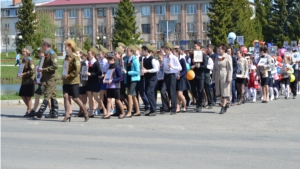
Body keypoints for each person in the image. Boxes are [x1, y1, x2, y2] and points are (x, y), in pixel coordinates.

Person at [61, 39, 89, 122]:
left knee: (75, 98)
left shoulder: (75, 57)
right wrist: (63, 75)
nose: (65, 48)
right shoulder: (66, 56)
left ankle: (85, 113)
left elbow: (77, 70)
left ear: (70, 47)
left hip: (73, 81)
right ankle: (67, 115)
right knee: (66, 96)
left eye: (66, 46)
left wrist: (68, 76)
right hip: (66, 81)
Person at [32, 38, 59, 119]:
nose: (41, 46)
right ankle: (54, 113)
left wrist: (43, 69)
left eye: (43, 44)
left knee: (47, 94)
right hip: (47, 77)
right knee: (53, 95)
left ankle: (40, 112)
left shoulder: (52, 54)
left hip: (52, 77)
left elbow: (55, 66)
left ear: (46, 45)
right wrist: (41, 77)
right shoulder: (46, 54)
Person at [29, 47, 52, 117]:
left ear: (42, 53)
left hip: (45, 81)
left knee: (43, 95)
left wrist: (40, 80)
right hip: (41, 80)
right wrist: (36, 79)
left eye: (39, 52)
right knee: (42, 95)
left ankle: (51, 110)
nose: (38, 54)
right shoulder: (41, 60)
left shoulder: (45, 60)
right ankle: (34, 110)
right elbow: (39, 71)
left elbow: (45, 70)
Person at [212, 43, 233, 114]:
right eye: (218, 48)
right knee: (219, 92)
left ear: (224, 49)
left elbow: (230, 69)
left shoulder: (227, 56)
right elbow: (214, 68)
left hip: (224, 75)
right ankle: (225, 103)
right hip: (217, 75)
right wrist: (213, 77)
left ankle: (223, 106)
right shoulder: (217, 57)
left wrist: (229, 78)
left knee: (224, 92)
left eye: (220, 48)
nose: (218, 50)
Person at [103, 54, 124, 119]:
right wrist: (105, 79)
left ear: (113, 60)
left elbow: (120, 77)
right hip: (109, 86)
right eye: (108, 60)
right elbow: (107, 75)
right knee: (108, 99)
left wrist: (112, 80)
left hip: (115, 86)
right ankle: (108, 113)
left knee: (117, 100)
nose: (108, 61)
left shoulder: (117, 67)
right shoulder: (109, 67)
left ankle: (123, 113)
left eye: (109, 60)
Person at [163, 43, 182, 115]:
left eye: (165, 49)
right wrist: (162, 66)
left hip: (172, 75)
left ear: (169, 49)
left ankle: (173, 109)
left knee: (172, 92)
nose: (164, 51)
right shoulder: (165, 57)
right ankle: (166, 107)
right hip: (166, 75)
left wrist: (173, 67)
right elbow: (164, 66)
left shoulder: (174, 58)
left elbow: (180, 68)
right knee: (163, 91)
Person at [142, 44, 159, 116]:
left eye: (143, 50)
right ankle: (151, 109)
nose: (142, 52)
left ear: (146, 51)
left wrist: (147, 71)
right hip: (147, 77)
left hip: (152, 78)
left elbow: (156, 69)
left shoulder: (152, 59)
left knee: (149, 92)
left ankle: (154, 110)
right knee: (147, 92)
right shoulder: (144, 59)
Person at [190, 42, 208, 112]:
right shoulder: (192, 55)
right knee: (193, 89)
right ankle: (198, 101)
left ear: (199, 47)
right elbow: (191, 64)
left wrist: (198, 65)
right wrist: (192, 64)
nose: (194, 47)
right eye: (194, 46)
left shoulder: (203, 55)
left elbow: (205, 66)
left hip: (200, 75)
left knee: (200, 90)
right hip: (193, 75)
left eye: (196, 46)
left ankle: (200, 105)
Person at [123, 45, 141, 117]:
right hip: (128, 79)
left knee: (129, 95)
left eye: (128, 51)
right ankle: (138, 111)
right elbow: (125, 69)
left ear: (132, 52)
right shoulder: (127, 59)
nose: (126, 52)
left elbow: (137, 71)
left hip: (134, 79)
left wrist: (128, 72)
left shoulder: (135, 60)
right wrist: (123, 72)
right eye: (126, 51)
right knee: (133, 96)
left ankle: (129, 112)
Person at [19, 46, 35, 117]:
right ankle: (30, 109)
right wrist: (20, 73)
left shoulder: (30, 60)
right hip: (24, 81)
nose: (23, 52)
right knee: (22, 95)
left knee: (28, 96)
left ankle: (29, 111)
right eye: (22, 51)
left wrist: (24, 74)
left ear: (28, 52)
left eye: (24, 51)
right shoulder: (23, 60)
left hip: (29, 81)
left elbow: (32, 71)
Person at [86, 47, 102, 117]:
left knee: (95, 97)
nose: (88, 55)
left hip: (95, 81)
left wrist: (91, 74)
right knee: (90, 97)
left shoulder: (96, 63)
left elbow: (100, 73)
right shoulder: (89, 62)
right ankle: (91, 112)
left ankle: (104, 108)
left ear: (93, 55)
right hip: (89, 81)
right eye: (88, 54)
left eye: (89, 54)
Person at [174, 48, 189, 112]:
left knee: (180, 94)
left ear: (177, 52)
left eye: (174, 52)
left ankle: (185, 105)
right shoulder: (173, 59)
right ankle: (178, 107)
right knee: (176, 94)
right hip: (175, 78)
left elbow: (185, 70)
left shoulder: (182, 59)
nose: (173, 53)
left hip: (181, 78)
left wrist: (180, 75)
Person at [97, 45, 110, 116]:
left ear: (104, 54)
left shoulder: (105, 61)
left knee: (105, 94)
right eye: (99, 54)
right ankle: (100, 108)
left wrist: (103, 75)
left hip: (104, 78)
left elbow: (107, 71)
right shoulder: (100, 61)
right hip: (101, 78)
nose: (100, 55)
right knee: (103, 95)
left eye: (101, 54)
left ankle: (108, 108)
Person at [78, 50, 88, 117]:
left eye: (77, 53)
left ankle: (83, 109)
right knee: (79, 96)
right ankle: (81, 110)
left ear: (80, 54)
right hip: (77, 80)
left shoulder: (82, 62)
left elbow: (84, 71)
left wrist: (81, 73)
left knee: (83, 95)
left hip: (82, 80)